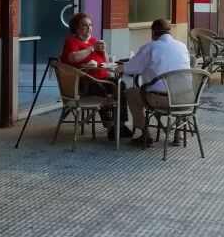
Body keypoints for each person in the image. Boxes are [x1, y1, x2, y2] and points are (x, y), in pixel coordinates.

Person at [119, 18, 191, 144]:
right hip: (186, 100)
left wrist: (119, 67)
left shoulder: (150, 47)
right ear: (170, 31)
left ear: (153, 32)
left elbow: (130, 69)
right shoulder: (182, 46)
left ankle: (145, 134)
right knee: (178, 89)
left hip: (161, 100)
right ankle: (178, 134)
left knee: (130, 93)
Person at [60, 12, 129, 141]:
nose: (89, 28)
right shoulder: (71, 41)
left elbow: (106, 61)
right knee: (101, 91)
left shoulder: (93, 40)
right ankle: (110, 127)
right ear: (76, 27)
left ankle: (121, 125)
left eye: (90, 25)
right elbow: (73, 57)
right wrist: (91, 48)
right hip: (83, 81)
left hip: (102, 77)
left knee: (121, 85)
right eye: (85, 25)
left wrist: (103, 50)